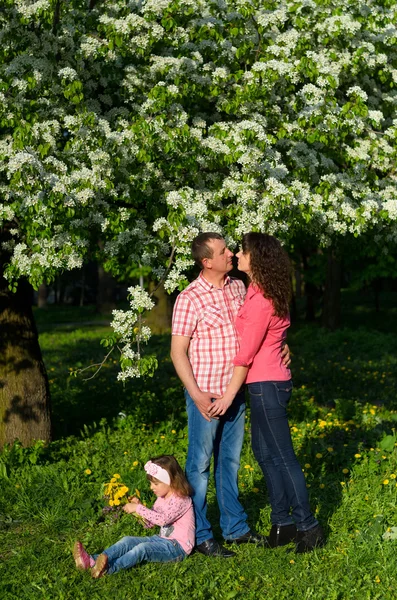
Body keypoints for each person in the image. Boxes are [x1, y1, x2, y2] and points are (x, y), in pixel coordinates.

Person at [171, 232, 290, 558]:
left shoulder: (240, 287)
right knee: (199, 466)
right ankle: (199, 534)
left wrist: (281, 345)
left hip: (235, 392)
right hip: (206, 395)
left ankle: (236, 528)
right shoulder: (190, 298)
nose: (232, 255)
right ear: (207, 261)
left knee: (230, 462)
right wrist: (195, 394)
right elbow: (177, 352)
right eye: (224, 251)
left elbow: (259, 328)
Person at [208, 232, 325, 553]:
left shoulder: (261, 300)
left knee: (284, 458)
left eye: (242, 251)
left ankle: (309, 527)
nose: (236, 255)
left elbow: (247, 353)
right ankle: (282, 523)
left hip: (266, 386)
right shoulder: (257, 291)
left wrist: (229, 395)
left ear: (256, 258)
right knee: (264, 454)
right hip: (264, 384)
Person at [73, 455, 195, 577]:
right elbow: (150, 524)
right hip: (161, 539)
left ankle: (109, 569)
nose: (151, 487)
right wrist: (139, 509)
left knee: (143, 549)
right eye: (151, 483)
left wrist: (138, 508)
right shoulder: (161, 498)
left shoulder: (181, 499)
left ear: (171, 481)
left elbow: (163, 520)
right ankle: (92, 560)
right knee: (128, 540)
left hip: (177, 548)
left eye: (155, 484)